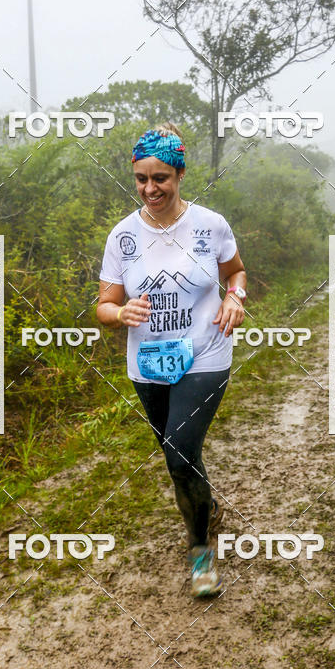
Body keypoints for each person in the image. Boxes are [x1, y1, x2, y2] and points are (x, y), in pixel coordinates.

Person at [96, 123, 247, 597]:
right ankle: (207, 505)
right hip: (149, 363)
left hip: (205, 353)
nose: (149, 188)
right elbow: (103, 305)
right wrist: (119, 312)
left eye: (160, 177)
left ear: (180, 174)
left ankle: (200, 551)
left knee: (180, 449)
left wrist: (235, 298)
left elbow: (237, 273)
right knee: (177, 455)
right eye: (141, 178)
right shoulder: (122, 235)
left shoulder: (210, 224)